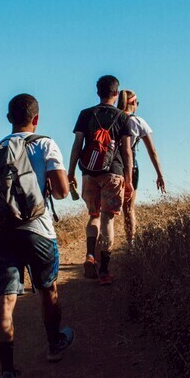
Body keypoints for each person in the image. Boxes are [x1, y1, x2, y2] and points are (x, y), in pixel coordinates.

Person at [0, 93, 74, 378]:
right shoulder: (45, 144)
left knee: (4, 303)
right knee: (48, 289)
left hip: (1, 234)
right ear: (36, 119)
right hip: (37, 231)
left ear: (8, 118)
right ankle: (54, 344)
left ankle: (7, 375)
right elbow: (61, 192)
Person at [68, 75, 133, 285]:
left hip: (89, 172)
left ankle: (90, 255)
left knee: (93, 216)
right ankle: (104, 271)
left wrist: (71, 172)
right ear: (116, 93)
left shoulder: (85, 114)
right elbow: (126, 151)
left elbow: (77, 145)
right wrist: (129, 179)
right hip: (113, 172)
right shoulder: (123, 117)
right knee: (108, 220)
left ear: (97, 92)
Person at [117, 89, 166, 246]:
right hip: (131, 167)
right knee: (128, 208)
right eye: (137, 103)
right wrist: (160, 174)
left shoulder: (113, 118)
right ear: (132, 103)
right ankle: (130, 244)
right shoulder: (138, 121)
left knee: (105, 211)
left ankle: (101, 246)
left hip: (111, 167)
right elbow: (152, 151)